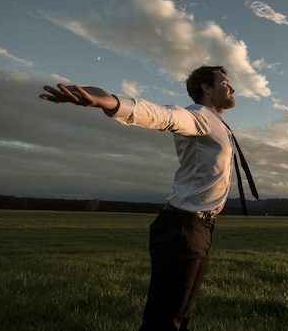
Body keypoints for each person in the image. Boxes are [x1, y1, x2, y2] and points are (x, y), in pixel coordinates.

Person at [39, 65, 256, 331]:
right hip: (181, 229)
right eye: (224, 82)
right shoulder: (198, 115)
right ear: (206, 88)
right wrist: (108, 101)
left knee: (182, 316)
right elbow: (163, 115)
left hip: (200, 227)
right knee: (164, 321)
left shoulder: (217, 123)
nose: (231, 87)